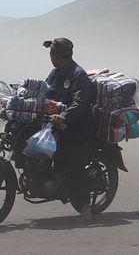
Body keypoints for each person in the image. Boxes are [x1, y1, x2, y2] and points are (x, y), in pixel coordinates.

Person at [43, 37, 98, 221]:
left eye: (52, 53)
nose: (50, 56)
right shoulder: (55, 73)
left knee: (73, 164)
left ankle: (84, 207)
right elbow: (45, 91)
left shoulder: (78, 74)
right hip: (58, 124)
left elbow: (80, 102)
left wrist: (64, 116)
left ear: (62, 55)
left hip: (77, 127)